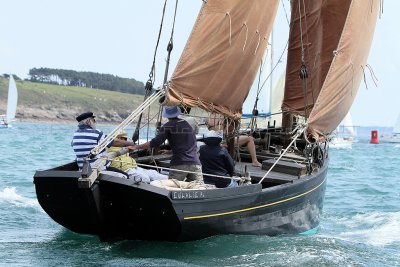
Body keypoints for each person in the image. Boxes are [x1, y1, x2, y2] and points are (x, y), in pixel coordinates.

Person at [132, 106, 203, 184]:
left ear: (167, 115)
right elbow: (189, 145)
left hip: (180, 163)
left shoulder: (167, 126)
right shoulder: (186, 124)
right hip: (195, 163)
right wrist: (170, 151)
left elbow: (155, 143)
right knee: (198, 187)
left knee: (172, 187)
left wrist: (136, 147)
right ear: (177, 113)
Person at [71, 111, 136, 170]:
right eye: (93, 120)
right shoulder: (96, 133)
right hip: (98, 169)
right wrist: (131, 143)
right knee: (125, 176)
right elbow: (115, 142)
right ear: (88, 122)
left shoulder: (75, 134)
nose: (95, 122)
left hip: (82, 169)